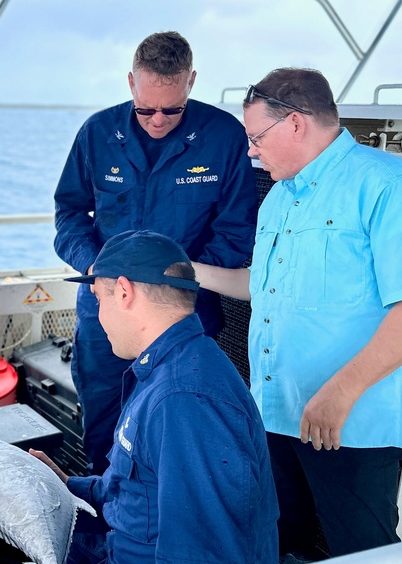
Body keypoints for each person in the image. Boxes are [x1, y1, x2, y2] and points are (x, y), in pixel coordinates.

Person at [192, 68, 402, 564]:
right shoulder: (280, 199)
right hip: (277, 409)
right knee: (281, 546)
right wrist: (188, 271)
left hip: (348, 421)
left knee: (364, 561)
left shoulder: (390, 186)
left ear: (295, 122)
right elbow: (260, 289)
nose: (251, 151)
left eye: (256, 138)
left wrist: (340, 393)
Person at [0, 229, 279, 564]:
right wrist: (66, 484)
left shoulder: (183, 401)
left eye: (98, 298)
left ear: (125, 293)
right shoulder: (169, 368)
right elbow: (137, 492)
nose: (98, 315)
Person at [54, 30, 257, 473]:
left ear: (191, 81)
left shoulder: (224, 137)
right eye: (146, 108)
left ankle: (158, 524)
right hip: (105, 307)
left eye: (172, 109)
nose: (158, 119)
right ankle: (104, 518)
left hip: (185, 313)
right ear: (131, 83)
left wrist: (180, 281)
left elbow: (237, 230)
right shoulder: (96, 134)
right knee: (104, 415)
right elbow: (68, 214)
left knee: (174, 422)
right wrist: (94, 266)